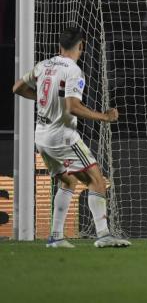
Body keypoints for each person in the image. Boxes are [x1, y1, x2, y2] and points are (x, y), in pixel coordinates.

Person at [12, 27, 130, 248]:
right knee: (97, 181)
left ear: (59, 46)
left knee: (68, 180)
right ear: (81, 46)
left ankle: (56, 237)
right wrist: (104, 117)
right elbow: (73, 107)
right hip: (62, 136)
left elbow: (17, 87)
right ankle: (103, 235)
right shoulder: (73, 71)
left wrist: (41, 99)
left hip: (41, 136)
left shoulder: (43, 65)